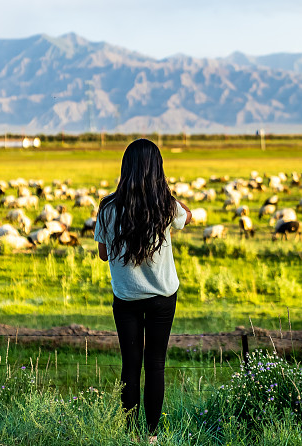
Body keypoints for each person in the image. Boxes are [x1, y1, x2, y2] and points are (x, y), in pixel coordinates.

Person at [94, 138, 192, 443]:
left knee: (131, 364)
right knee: (156, 364)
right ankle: (151, 435)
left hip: (126, 297)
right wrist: (165, 188)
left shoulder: (108, 208)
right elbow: (189, 216)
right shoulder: (166, 205)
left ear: (125, 168)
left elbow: (103, 254)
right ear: (157, 170)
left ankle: (129, 434)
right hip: (163, 296)